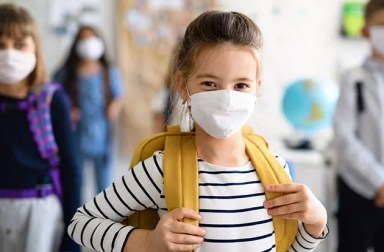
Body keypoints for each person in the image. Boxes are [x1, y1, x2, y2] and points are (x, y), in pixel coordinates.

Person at [68, 10, 328, 252]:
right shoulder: (161, 169)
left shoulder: (276, 170)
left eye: (240, 85)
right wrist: (149, 241)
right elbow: (80, 223)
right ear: (183, 85)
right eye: (209, 83)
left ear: (257, 88)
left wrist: (317, 222)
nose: (226, 97)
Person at [0, 3, 81, 252]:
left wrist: (73, 234)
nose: (8, 54)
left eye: (19, 44)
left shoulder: (51, 100)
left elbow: (70, 168)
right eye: (0, 46)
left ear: (35, 49)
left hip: (40, 213)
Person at [333, 0, 384, 251]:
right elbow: (344, 137)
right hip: (360, 189)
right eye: (382, 25)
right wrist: (379, 181)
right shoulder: (353, 78)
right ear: (366, 32)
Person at [54, 25, 124, 194]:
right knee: (75, 176)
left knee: (104, 179)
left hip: (103, 131)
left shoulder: (109, 71)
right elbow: (54, 95)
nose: (88, 43)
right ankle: (75, 215)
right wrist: (67, 111)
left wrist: (114, 107)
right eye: (83, 39)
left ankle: (102, 215)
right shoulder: (67, 73)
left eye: (92, 38)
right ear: (76, 44)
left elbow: (119, 96)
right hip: (76, 131)